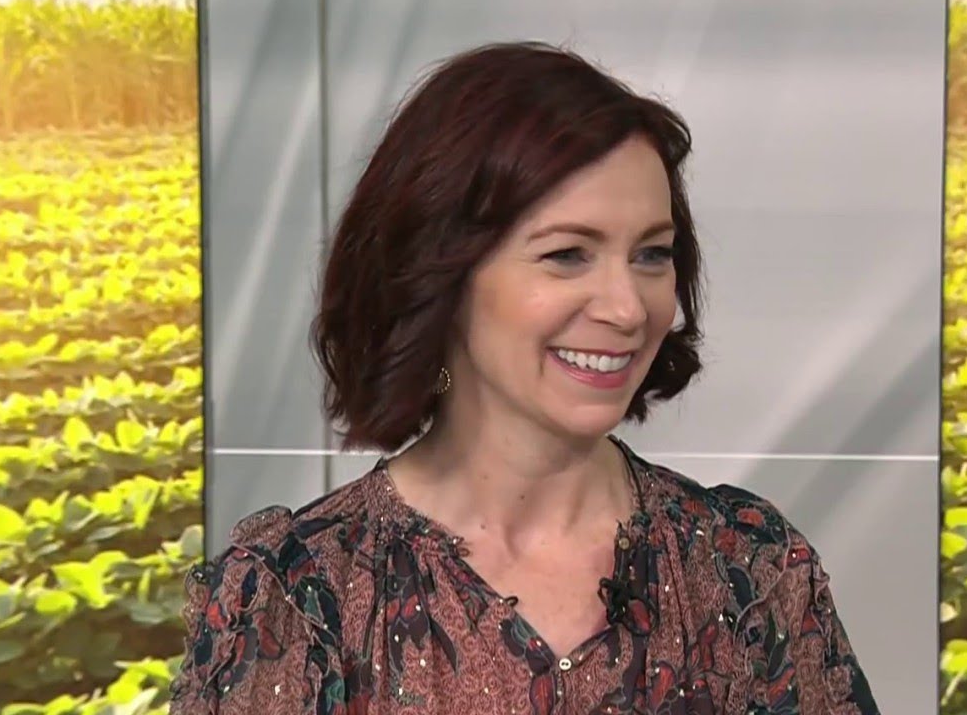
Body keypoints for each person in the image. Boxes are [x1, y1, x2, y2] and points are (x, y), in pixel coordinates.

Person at [169, 40, 879, 715]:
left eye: (652, 255)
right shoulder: (296, 599)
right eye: (568, 255)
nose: (628, 308)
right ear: (441, 275)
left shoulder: (748, 571)